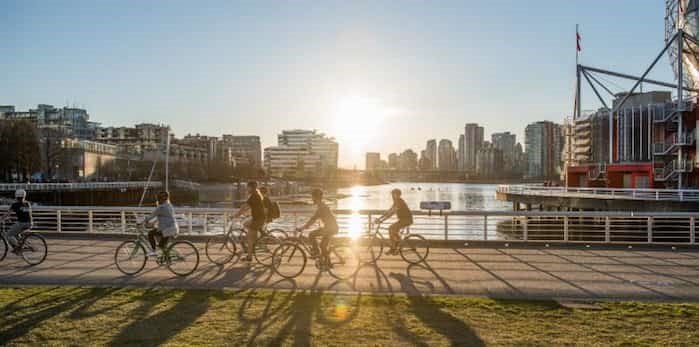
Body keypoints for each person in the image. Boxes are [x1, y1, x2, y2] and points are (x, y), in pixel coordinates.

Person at [296, 189, 338, 261]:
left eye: (312, 197)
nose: (312, 199)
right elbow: (314, 219)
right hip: (329, 228)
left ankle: (317, 253)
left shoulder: (321, 208)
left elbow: (313, 220)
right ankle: (325, 261)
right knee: (322, 245)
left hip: (330, 229)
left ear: (316, 197)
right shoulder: (321, 205)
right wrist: (306, 226)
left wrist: (303, 227)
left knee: (312, 235)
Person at [233, 181, 266, 261]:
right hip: (257, 218)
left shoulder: (254, 196)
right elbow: (247, 207)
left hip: (257, 219)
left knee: (249, 238)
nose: (246, 188)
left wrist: (236, 215)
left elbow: (244, 206)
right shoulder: (256, 195)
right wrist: (242, 213)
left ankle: (249, 256)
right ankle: (254, 239)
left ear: (251, 187)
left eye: (247, 187)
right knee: (245, 224)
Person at [375, 188, 413, 255]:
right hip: (403, 220)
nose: (392, 196)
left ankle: (393, 248)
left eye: (394, 194)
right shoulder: (396, 202)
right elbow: (389, 211)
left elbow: (392, 213)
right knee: (393, 230)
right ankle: (397, 244)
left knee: (391, 228)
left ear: (397, 195)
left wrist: (382, 220)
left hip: (406, 220)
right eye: (392, 194)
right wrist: (380, 218)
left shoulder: (399, 202)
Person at [141, 191, 179, 257]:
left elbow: (152, 216)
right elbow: (162, 217)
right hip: (172, 228)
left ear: (159, 199)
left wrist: (142, 221)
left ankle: (153, 251)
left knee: (150, 234)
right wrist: (153, 223)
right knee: (161, 245)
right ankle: (167, 258)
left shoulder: (161, 207)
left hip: (168, 229)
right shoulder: (169, 205)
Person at [0, 189, 32, 254]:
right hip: (29, 223)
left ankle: (18, 247)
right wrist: (11, 217)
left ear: (16, 196)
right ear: (24, 196)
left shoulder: (15, 205)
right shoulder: (27, 203)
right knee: (16, 233)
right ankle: (20, 244)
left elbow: (7, 214)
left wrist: (1, 218)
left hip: (21, 223)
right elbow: (24, 213)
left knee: (8, 235)